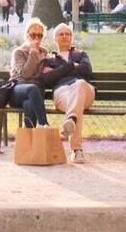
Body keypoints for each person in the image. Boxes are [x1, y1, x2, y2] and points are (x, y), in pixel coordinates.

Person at [40, 22, 96, 163]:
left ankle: (71, 120)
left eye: (67, 34)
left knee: (80, 84)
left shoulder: (81, 54)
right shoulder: (49, 59)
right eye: (61, 34)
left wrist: (59, 71)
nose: (64, 36)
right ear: (55, 38)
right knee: (76, 106)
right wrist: (71, 66)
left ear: (71, 37)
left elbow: (87, 71)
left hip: (85, 91)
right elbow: (47, 79)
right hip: (62, 93)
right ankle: (76, 149)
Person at [8, 19, 51, 134]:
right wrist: (33, 53)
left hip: (36, 94)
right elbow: (25, 74)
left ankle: (29, 140)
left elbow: (44, 75)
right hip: (18, 90)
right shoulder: (18, 52)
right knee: (32, 88)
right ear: (27, 36)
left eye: (40, 35)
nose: (36, 38)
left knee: (29, 104)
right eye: (33, 35)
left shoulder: (45, 52)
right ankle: (44, 124)